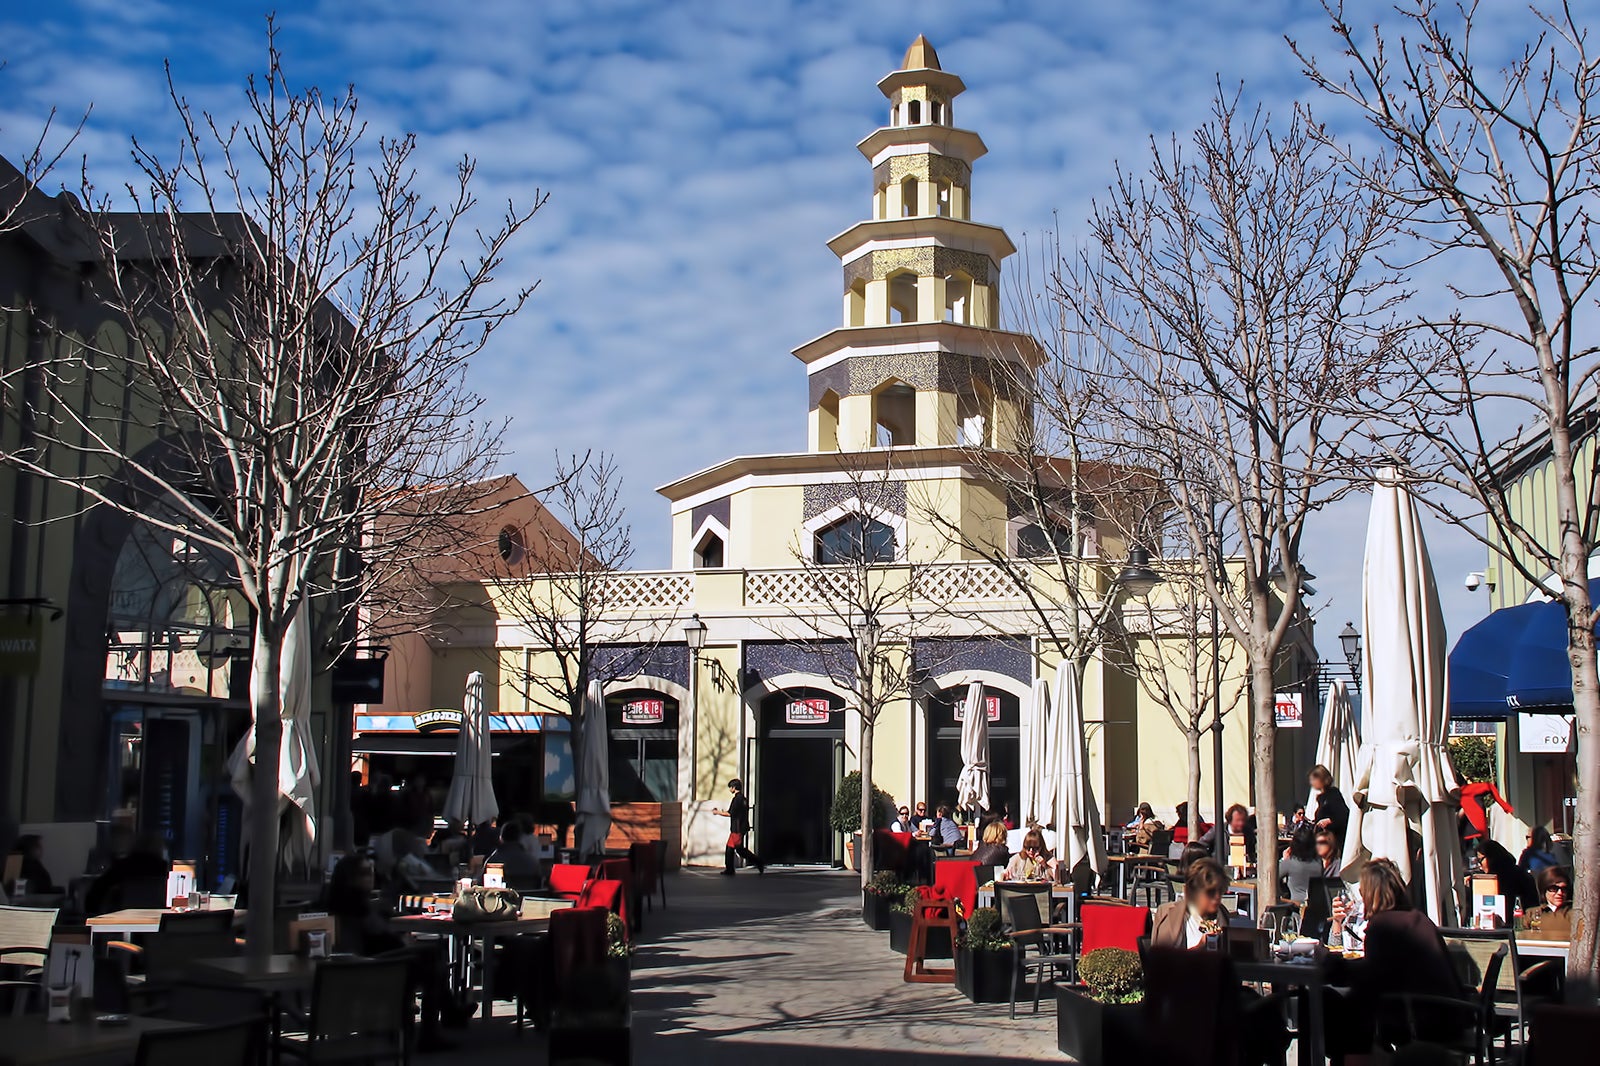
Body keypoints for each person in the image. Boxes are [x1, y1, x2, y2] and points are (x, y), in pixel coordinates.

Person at [1325, 860, 1464, 1061]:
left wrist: (1331, 965)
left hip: (1417, 1021)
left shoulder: (1383, 926)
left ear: (1371, 893)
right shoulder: (1417, 918)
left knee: (1336, 1011)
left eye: (1363, 891)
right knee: (1349, 1015)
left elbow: (1370, 980)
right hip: (1446, 1016)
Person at [323, 854, 457, 1051]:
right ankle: (435, 1026)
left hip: (371, 961)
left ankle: (446, 1016)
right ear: (350, 878)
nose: (370, 877)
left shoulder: (343, 900)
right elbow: (377, 934)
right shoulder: (354, 904)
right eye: (364, 873)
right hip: (377, 965)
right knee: (432, 959)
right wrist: (401, 940)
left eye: (371, 872)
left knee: (431, 959)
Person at [1151, 857, 1232, 948]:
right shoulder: (1169, 915)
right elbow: (1163, 960)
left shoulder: (1222, 913)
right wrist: (1199, 947)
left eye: (1220, 891)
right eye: (1211, 892)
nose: (1217, 897)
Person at [84, 830, 169, 915]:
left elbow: (95, 895)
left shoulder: (122, 867)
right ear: (160, 848)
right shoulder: (165, 869)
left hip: (122, 920)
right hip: (157, 920)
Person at [712, 779, 764, 876]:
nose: (729, 789)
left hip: (737, 828)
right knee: (735, 849)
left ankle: (756, 862)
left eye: (730, 787)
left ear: (734, 788)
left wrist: (717, 812)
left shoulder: (736, 799)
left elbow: (730, 813)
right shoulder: (743, 799)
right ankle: (756, 862)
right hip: (742, 827)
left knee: (734, 849)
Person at [1519, 865, 1572, 937]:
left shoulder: (1575, 913)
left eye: (1564, 889)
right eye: (1553, 889)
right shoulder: (1531, 914)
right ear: (1544, 890)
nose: (1560, 893)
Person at [1279, 823, 1323, 902]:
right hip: (1315, 904)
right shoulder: (1319, 862)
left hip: (1296, 906)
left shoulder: (1290, 863)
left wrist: (1284, 860)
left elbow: (1274, 878)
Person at [1309, 765, 1350, 844]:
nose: (1311, 782)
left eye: (1313, 779)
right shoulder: (1321, 797)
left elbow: (1344, 816)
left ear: (1321, 779)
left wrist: (1329, 820)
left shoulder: (1333, 794)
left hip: (1334, 841)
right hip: (1324, 840)